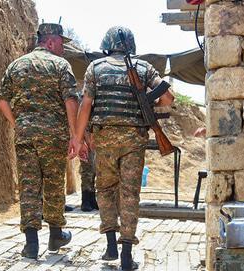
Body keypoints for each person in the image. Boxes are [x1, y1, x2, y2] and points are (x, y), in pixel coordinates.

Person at [69, 26, 174, 270]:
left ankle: (110, 247)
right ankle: (126, 254)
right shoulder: (144, 68)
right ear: (131, 45)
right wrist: (148, 102)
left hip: (103, 140)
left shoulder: (95, 68)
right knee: (129, 194)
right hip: (133, 141)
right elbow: (167, 98)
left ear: (107, 44)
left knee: (104, 190)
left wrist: (78, 137)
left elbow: (86, 106)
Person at [0, 23, 78, 260]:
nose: (63, 50)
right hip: (53, 135)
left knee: (29, 185)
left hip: (25, 135)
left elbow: (2, 100)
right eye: (61, 44)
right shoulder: (61, 65)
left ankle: (31, 244)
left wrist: (17, 123)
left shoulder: (16, 65)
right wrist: (75, 135)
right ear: (50, 42)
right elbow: (71, 100)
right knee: (53, 183)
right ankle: (55, 235)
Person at [79, 131, 99, 212]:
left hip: (96, 135)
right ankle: (85, 200)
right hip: (85, 135)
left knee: (94, 170)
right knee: (87, 171)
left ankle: (92, 199)